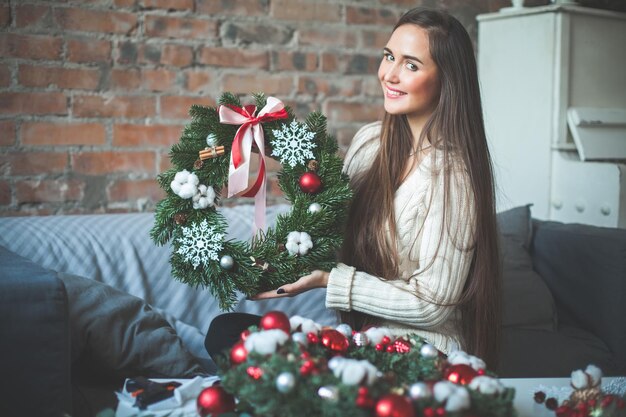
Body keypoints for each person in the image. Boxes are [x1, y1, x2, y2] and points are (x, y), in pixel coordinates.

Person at [206, 6, 501, 369]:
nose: (389, 75)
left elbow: (434, 304)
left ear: (447, 79)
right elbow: (331, 228)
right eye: (389, 56)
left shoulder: (454, 177)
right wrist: (281, 261)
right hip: (361, 342)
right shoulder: (369, 143)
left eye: (411, 65)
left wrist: (331, 281)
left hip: (423, 354)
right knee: (227, 331)